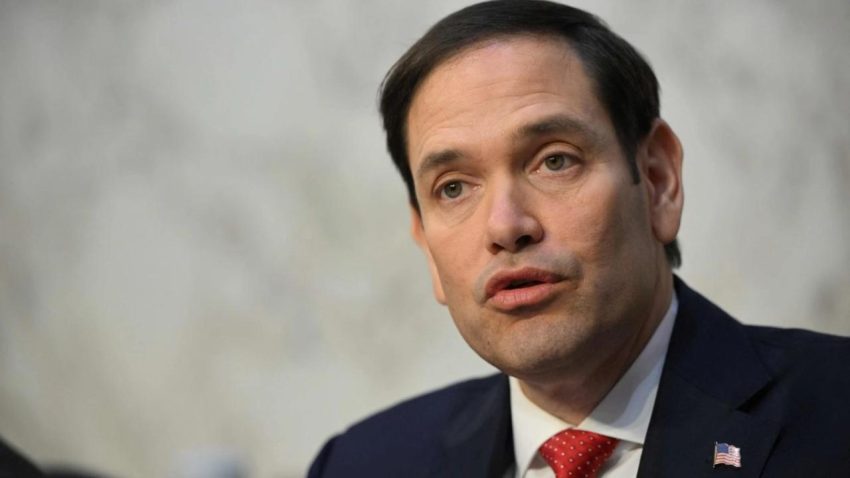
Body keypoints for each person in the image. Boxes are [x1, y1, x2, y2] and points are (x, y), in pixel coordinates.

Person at [308, 1, 850, 477]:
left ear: (658, 180)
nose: (505, 226)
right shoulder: (361, 465)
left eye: (554, 161)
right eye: (453, 188)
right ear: (426, 244)